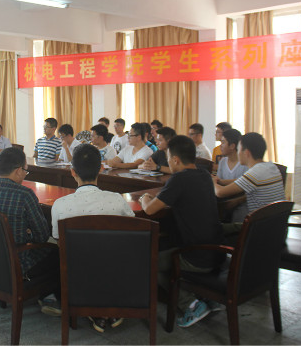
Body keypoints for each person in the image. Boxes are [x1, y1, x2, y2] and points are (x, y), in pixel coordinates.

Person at [140, 135, 224, 328]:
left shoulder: (179, 179)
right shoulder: (204, 174)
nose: (168, 162)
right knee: (165, 247)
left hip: (197, 257)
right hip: (217, 251)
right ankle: (205, 296)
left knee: (148, 261)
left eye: (169, 158)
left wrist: (145, 197)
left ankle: (191, 304)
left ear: (176, 159)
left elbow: (150, 210)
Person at [51, 144, 134, 332]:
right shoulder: (117, 200)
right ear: (101, 169)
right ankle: (109, 307)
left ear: (73, 172)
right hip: (114, 270)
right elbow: (132, 233)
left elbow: (58, 240)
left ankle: (92, 307)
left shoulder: (60, 205)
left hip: (77, 271)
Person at [0, 148, 60, 316]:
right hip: (17, 263)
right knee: (58, 251)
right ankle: (49, 296)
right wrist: (28, 234)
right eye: (26, 171)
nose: (25, 175)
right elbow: (42, 235)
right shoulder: (25, 194)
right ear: (18, 171)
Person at [213, 132, 285, 222]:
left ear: (246, 153)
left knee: (217, 228)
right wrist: (220, 181)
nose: (238, 153)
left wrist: (213, 181)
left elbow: (220, 193)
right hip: (277, 224)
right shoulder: (271, 167)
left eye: (239, 149)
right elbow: (240, 181)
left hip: (259, 226)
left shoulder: (255, 173)